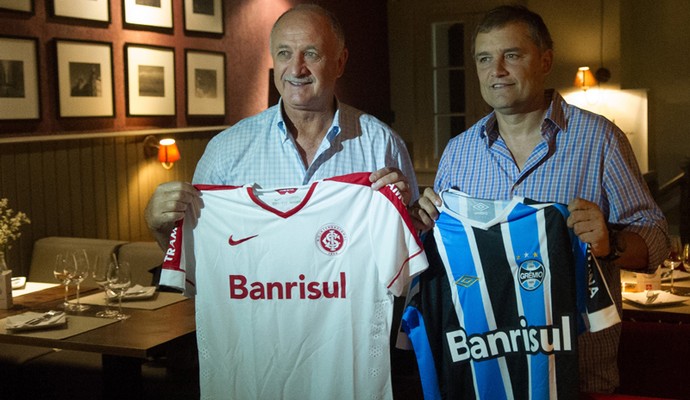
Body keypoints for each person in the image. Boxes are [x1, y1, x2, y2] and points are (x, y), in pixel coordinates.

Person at [410, 4, 669, 394]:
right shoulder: (458, 153)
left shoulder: (600, 140)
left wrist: (608, 243)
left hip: (578, 378)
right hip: (485, 376)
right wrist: (421, 224)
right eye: (484, 59)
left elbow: (657, 242)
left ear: (545, 60)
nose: (496, 71)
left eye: (511, 55)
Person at [145, 4, 417, 250]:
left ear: (340, 62)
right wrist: (161, 227)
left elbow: (411, 249)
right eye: (284, 53)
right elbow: (196, 256)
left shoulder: (382, 144)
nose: (296, 69)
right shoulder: (225, 151)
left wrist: (411, 219)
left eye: (311, 53)